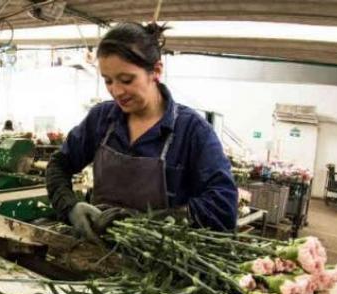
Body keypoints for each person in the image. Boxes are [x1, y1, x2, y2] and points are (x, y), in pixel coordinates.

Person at [46, 22, 237, 241]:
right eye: (108, 81)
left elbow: (223, 206)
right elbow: (58, 165)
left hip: (157, 265)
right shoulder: (101, 120)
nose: (116, 91)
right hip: (96, 250)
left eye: (126, 80)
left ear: (156, 71)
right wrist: (70, 207)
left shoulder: (192, 131)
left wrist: (154, 223)